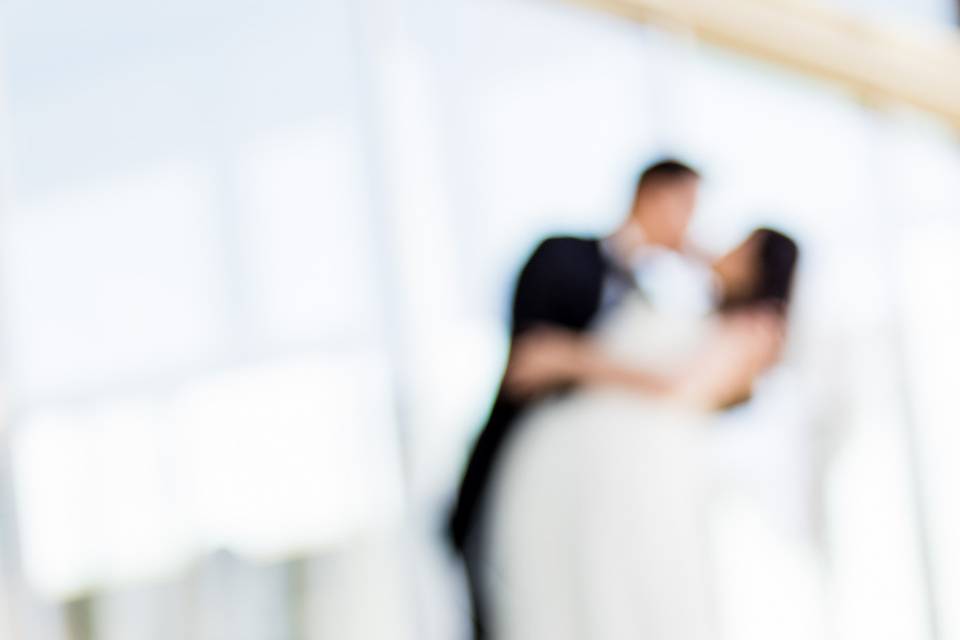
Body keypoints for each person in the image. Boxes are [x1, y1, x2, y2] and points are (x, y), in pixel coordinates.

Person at [482, 228, 799, 640]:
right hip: (604, 471)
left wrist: (564, 358)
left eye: (742, 248)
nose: (724, 249)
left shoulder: (757, 327)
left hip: (644, 480)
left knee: (625, 595)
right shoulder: (688, 303)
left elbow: (683, 385)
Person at [448, 159, 704, 638]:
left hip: (602, 500)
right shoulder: (562, 254)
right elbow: (525, 363)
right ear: (655, 195)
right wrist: (637, 375)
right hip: (523, 469)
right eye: (687, 206)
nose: (692, 225)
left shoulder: (649, 293)